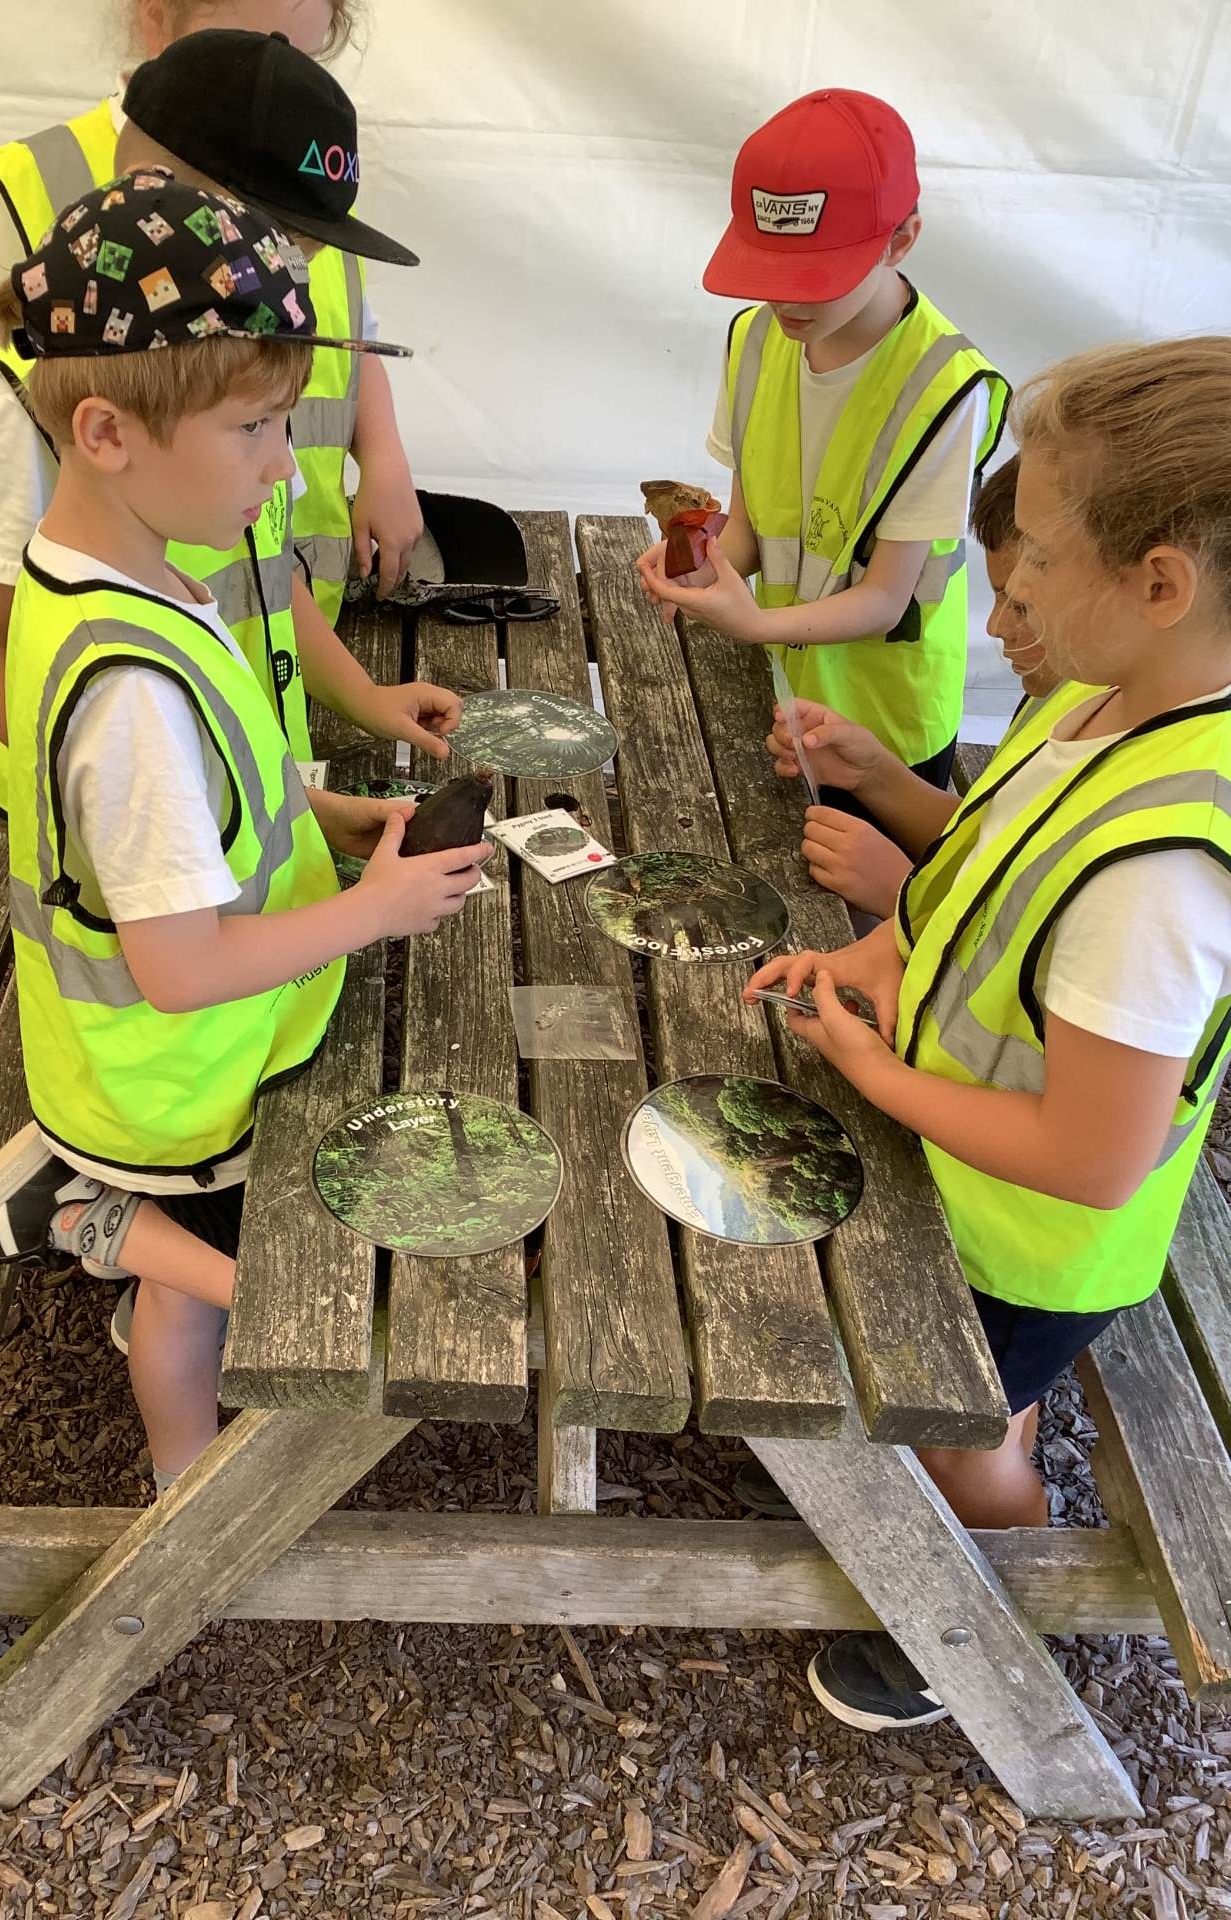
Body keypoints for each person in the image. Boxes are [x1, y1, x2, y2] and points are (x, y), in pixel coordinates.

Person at [0, 173, 489, 1492]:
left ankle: (108, 1216)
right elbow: (176, 966)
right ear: (106, 432)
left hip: (190, 1054)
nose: (286, 465)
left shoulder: (118, 570)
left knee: (245, 1266)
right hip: (179, 1086)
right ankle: (175, 1465)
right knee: (208, 1295)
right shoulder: (131, 695)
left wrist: (327, 816)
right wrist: (376, 910)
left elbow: (209, 798)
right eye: (257, 427)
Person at [747, 337, 1231, 1730]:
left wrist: (876, 1071)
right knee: (955, 1398)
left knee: (959, 1437)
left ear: (1160, 584)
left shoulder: (1164, 873)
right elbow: (974, 883)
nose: (1009, 587)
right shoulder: (1094, 694)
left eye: (1045, 553)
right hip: (962, 1170)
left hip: (1026, 1243)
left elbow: (1093, 1158)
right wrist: (870, 959)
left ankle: (990, 1619)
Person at [0, 30, 450, 816]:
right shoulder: (32, 403)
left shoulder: (233, 390)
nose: (296, 272)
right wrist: (166, 797)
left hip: (235, 800)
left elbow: (266, 576)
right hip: (127, 833)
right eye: (283, 241)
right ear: (167, 201)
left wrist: (359, 699)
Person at [0, 0, 419, 618]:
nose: (276, 75)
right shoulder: (43, 189)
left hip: (256, 641)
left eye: (303, 59)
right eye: (238, 49)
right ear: (156, 21)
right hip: (143, 657)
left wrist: (384, 456)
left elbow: (356, 342)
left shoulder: (302, 207)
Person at [637, 89, 1008, 808]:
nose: (786, 301)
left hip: (885, 728)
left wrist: (752, 623)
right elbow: (749, 531)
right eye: (768, 272)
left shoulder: (945, 388)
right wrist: (701, 565)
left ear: (901, 241)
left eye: (814, 276)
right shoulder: (754, 340)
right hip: (785, 692)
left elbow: (886, 598)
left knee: (866, 871)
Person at [775, 455, 1064, 918]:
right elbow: (995, 839)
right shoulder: (1062, 694)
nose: (993, 626)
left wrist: (903, 897)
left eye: (1023, 606)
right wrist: (871, 773)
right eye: (998, 596)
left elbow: (1025, 943)